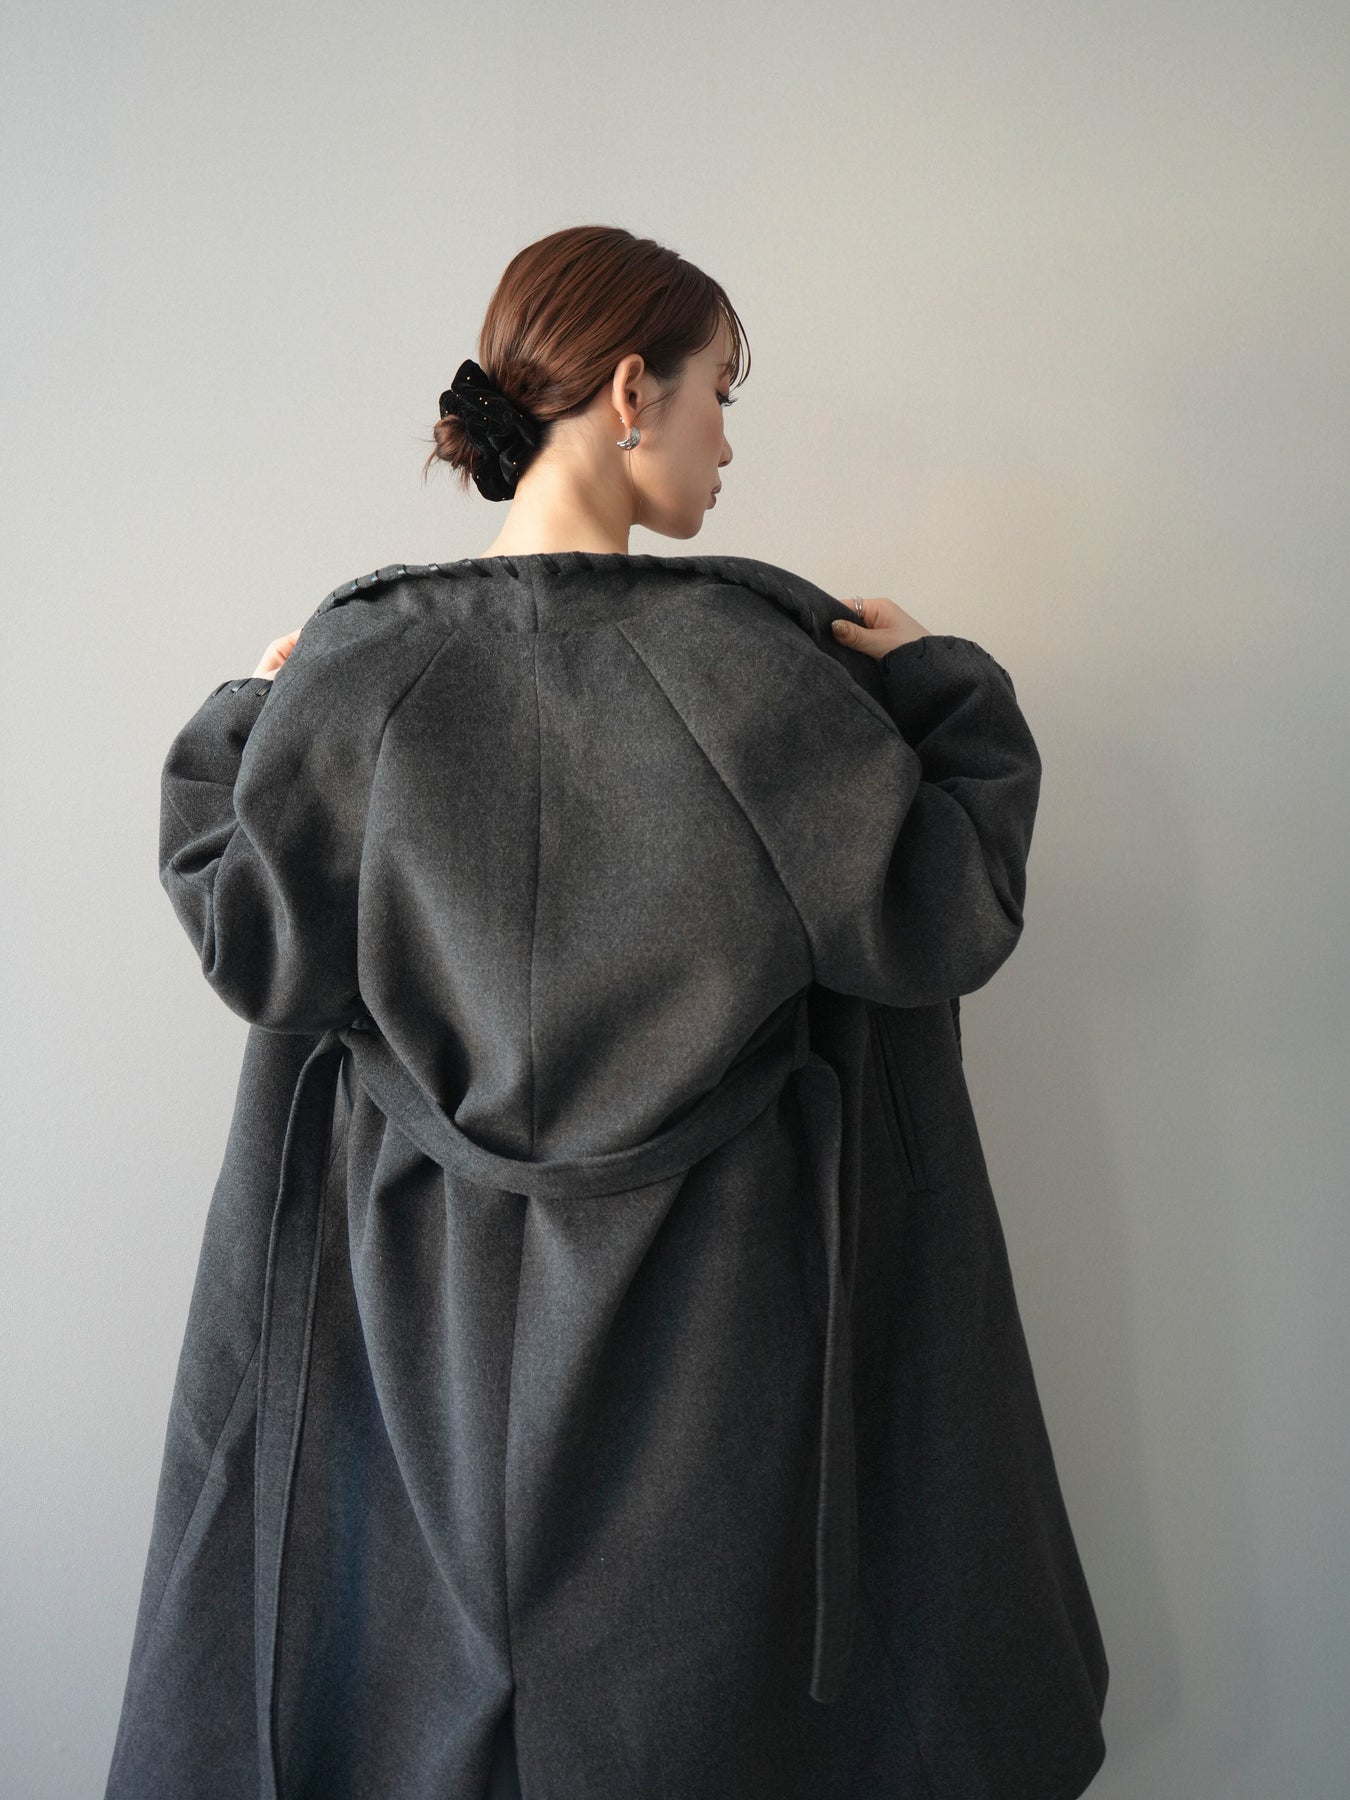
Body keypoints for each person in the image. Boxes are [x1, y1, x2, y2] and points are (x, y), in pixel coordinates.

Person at [105, 225, 1108, 1800]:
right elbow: (941, 912)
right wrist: (944, 686)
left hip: (408, 1339)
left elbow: (248, 936)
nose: (729, 442)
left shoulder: (358, 678)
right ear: (632, 392)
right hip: (725, 1353)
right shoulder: (767, 673)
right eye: (721, 393)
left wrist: (253, 712)